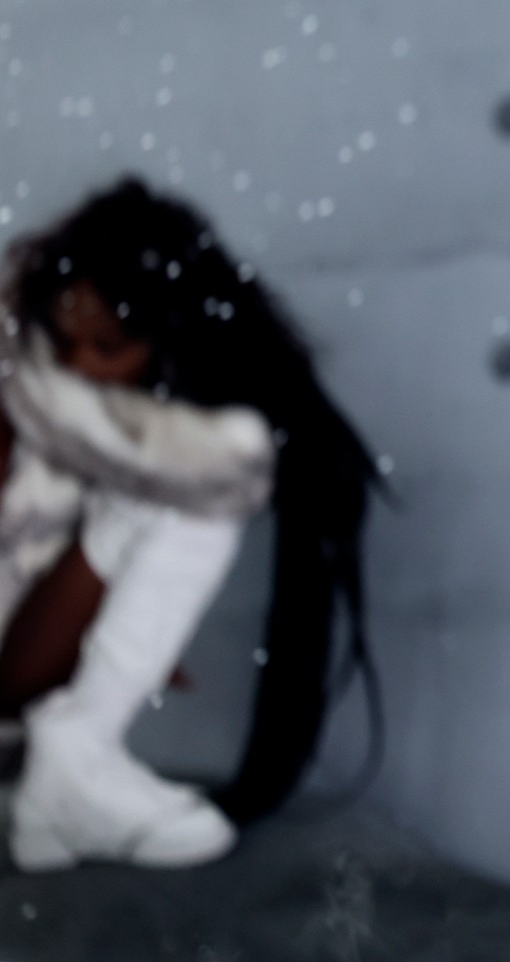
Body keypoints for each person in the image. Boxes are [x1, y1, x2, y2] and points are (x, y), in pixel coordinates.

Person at [0, 178, 381, 869]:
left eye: (106, 345)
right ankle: (69, 763)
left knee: (197, 485)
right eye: (64, 339)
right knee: (196, 486)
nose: (78, 363)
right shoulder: (21, 376)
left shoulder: (167, 426)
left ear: (165, 336)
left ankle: (67, 772)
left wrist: (122, 614)